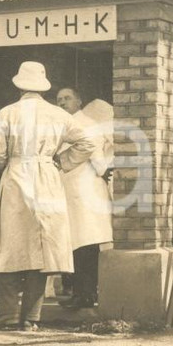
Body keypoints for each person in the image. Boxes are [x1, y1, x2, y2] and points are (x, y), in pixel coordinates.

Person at [0, 62, 95, 330]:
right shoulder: (58, 114)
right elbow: (88, 143)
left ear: (20, 85)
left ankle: (9, 315)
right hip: (47, 179)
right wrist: (59, 161)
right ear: (43, 87)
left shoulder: (7, 113)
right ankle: (31, 318)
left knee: (10, 245)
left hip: (16, 177)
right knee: (40, 247)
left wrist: (8, 163)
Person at [55, 88, 114, 309]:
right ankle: (81, 292)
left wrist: (101, 170)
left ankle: (86, 294)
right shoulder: (63, 124)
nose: (62, 102)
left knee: (85, 245)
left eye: (67, 98)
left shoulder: (86, 123)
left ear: (79, 101)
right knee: (76, 244)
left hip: (85, 190)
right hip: (70, 190)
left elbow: (97, 154)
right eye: (59, 99)